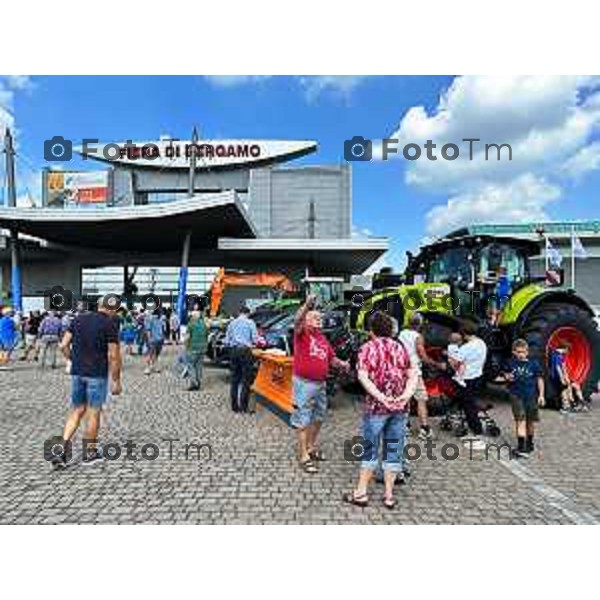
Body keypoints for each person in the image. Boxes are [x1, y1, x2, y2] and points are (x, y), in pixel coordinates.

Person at [343, 311, 417, 509]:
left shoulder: (367, 348)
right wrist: (406, 395)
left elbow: (363, 377)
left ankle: (361, 493)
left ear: (371, 330)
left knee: (370, 448)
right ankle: (389, 495)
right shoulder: (399, 347)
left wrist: (380, 397)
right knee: (393, 448)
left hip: (376, 408)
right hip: (400, 408)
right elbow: (413, 374)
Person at [52, 296, 122, 467]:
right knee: (93, 412)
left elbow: (63, 345)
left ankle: (62, 449)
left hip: (78, 372)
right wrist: (116, 380)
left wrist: (72, 359)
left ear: (99, 305)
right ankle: (89, 453)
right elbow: (114, 355)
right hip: (97, 373)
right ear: (114, 310)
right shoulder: (110, 325)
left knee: (77, 410)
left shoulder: (78, 319)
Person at [291, 295, 348, 473]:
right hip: (304, 384)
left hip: (320, 384)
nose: (320, 320)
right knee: (303, 419)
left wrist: (343, 364)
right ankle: (303, 456)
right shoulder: (302, 333)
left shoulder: (322, 338)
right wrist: (307, 305)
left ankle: (310, 447)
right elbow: (297, 319)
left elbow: (331, 358)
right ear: (306, 320)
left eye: (320, 318)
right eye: (315, 317)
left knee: (318, 418)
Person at [398, 313, 444, 440]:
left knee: (405, 399)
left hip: (402, 370)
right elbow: (423, 356)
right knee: (421, 399)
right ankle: (424, 429)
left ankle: (405, 427)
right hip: (414, 372)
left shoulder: (402, 334)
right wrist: (437, 364)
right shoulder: (418, 337)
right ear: (420, 324)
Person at [500, 339, 545, 458]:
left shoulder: (534, 364)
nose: (521, 354)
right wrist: (507, 377)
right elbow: (504, 374)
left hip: (531, 396)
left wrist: (541, 395)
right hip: (516, 395)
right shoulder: (510, 363)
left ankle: (529, 443)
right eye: (518, 352)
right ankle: (521, 447)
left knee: (531, 421)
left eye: (523, 352)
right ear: (514, 352)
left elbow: (540, 379)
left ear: (527, 351)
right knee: (520, 420)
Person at [454, 320, 488, 451]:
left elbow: (456, 363)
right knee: (471, 403)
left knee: (468, 406)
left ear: (465, 334)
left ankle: (476, 431)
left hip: (466, 379)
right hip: (477, 376)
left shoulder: (466, 347)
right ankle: (473, 429)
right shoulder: (482, 343)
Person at [225, 305, 258, 412]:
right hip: (245, 351)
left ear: (239, 312)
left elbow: (227, 340)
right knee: (246, 379)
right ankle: (244, 406)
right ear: (247, 313)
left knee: (234, 379)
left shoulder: (232, 323)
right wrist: (251, 343)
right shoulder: (250, 323)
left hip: (234, 351)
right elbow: (255, 339)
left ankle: (234, 406)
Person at [550, 345, 588, 413]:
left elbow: (564, 367)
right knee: (565, 389)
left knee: (576, 385)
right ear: (565, 349)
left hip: (563, 376)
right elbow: (558, 368)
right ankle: (566, 406)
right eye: (567, 350)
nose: (567, 352)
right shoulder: (556, 355)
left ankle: (581, 403)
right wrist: (562, 379)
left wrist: (567, 378)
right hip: (557, 377)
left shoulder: (561, 355)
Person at [184, 307, 208, 391]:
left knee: (191, 365)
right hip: (203, 348)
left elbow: (187, 337)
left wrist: (186, 346)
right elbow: (206, 335)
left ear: (193, 317)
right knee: (199, 366)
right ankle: (198, 381)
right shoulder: (204, 324)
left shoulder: (190, 324)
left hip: (193, 347)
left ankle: (194, 383)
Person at [144, 308, 165, 375]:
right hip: (153, 339)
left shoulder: (161, 319)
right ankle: (147, 368)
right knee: (150, 354)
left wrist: (163, 337)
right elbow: (148, 330)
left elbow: (162, 329)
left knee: (156, 354)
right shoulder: (150, 319)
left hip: (160, 339)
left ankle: (153, 366)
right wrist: (150, 339)